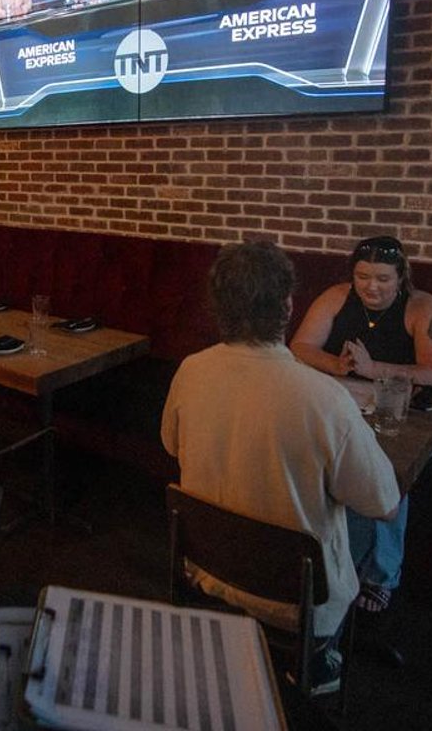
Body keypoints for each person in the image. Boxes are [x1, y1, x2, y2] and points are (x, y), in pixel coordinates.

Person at [161, 241, 399, 695]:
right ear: (289, 305)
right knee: (353, 516)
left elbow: (170, 444)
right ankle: (315, 657)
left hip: (206, 571)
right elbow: (383, 501)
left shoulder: (190, 371)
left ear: (218, 308)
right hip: (298, 602)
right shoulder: (325, 397)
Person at [290, 235, 432, 613]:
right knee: (309, 448)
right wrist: (337, 365)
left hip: (407, 415)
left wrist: (371, 369)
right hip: (346, 404)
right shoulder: (336, 296)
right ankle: (325, 557)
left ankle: (381, 574)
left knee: (385, 465)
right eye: (363, 276)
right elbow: (300, 347)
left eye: (383, 278)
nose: (371, 286)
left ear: (401, 277)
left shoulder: (422, 307)